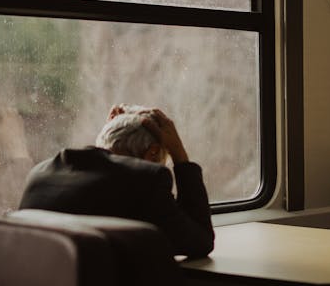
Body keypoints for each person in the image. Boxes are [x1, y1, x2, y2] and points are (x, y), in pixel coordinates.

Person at [18, 104, 214, 258]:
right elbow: (201, 240)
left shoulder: (39, 174)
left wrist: (107, 139)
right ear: (153, 153)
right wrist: (179, 155)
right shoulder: (146, 181)